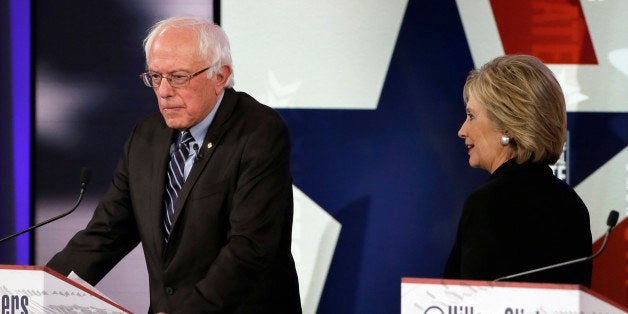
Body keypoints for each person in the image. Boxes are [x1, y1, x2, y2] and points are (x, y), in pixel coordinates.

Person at [47, 15, 302, 313]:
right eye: (155, 77)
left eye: (178, 77)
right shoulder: (147, 136)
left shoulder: (258, 132)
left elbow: (249, 249)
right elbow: (107, 232)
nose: (164, 91)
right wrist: (43, 290)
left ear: (220, 76)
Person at [443, 54, 592, 286]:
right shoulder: (573, 206)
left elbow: (470, 306)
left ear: (507, 125)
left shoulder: (487, 203)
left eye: (471, 116)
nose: (462, 130)